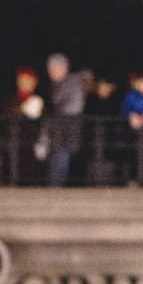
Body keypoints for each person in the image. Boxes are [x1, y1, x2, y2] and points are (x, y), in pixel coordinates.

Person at [43, 52, 87, 188]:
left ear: (64, 68)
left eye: (54, 67)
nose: (51, 71)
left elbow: (73, 107)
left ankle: (56, 186)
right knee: (57, 156)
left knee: (62, 156)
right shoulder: (56, 84)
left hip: (67, 127)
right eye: (49, 68)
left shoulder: (72, 83)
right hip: (57, 129)